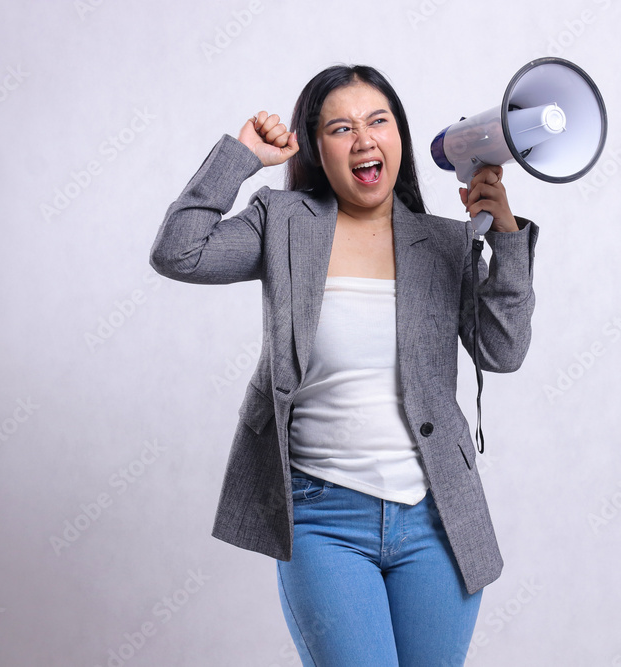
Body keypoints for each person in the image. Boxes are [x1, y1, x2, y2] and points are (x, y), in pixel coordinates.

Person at [149, 64, 539, 666]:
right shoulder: (281, 225)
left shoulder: (443, 242)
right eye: (341, 127)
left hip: (438, 522)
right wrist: (240, 157)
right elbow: (178, 251)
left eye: (378, 120)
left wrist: (505, 238)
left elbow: (502, 351)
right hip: (323, 521)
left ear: (399, 138)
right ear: (315, 148)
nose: (364, 139)